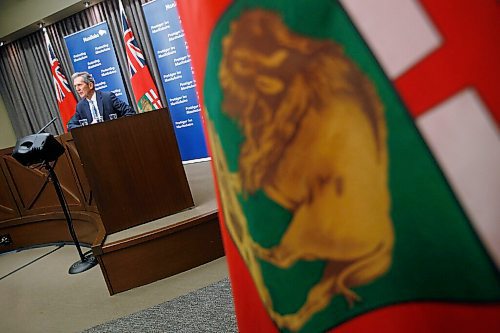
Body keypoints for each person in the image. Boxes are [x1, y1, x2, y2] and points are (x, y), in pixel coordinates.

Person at [67, 72, 135, 130]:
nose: (77, 89)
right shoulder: (80, 106)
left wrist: (116, 125)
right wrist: (87, 128)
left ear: (90, 85)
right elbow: (70, 126)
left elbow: (130, 112)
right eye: (75, 86)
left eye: (79, 85)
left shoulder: (108, 97)